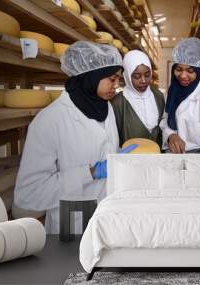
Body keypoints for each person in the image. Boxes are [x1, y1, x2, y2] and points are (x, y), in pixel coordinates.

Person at [14, 41, 125, 234]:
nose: (117, 86)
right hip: (71, 225)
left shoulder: (106, 107)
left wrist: (117, 160)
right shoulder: (50, 120)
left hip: (108, 218)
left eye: (118, 79)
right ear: (90, 76)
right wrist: (89, 173)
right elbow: (29, 194)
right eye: (112, 79)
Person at [111, 50, 165, 147]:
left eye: (148, 75)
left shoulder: (158, 96)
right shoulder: (118, 103)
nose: (143, 81)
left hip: (156, 157)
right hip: (129, 160)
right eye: (137, 76)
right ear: (127, 76)